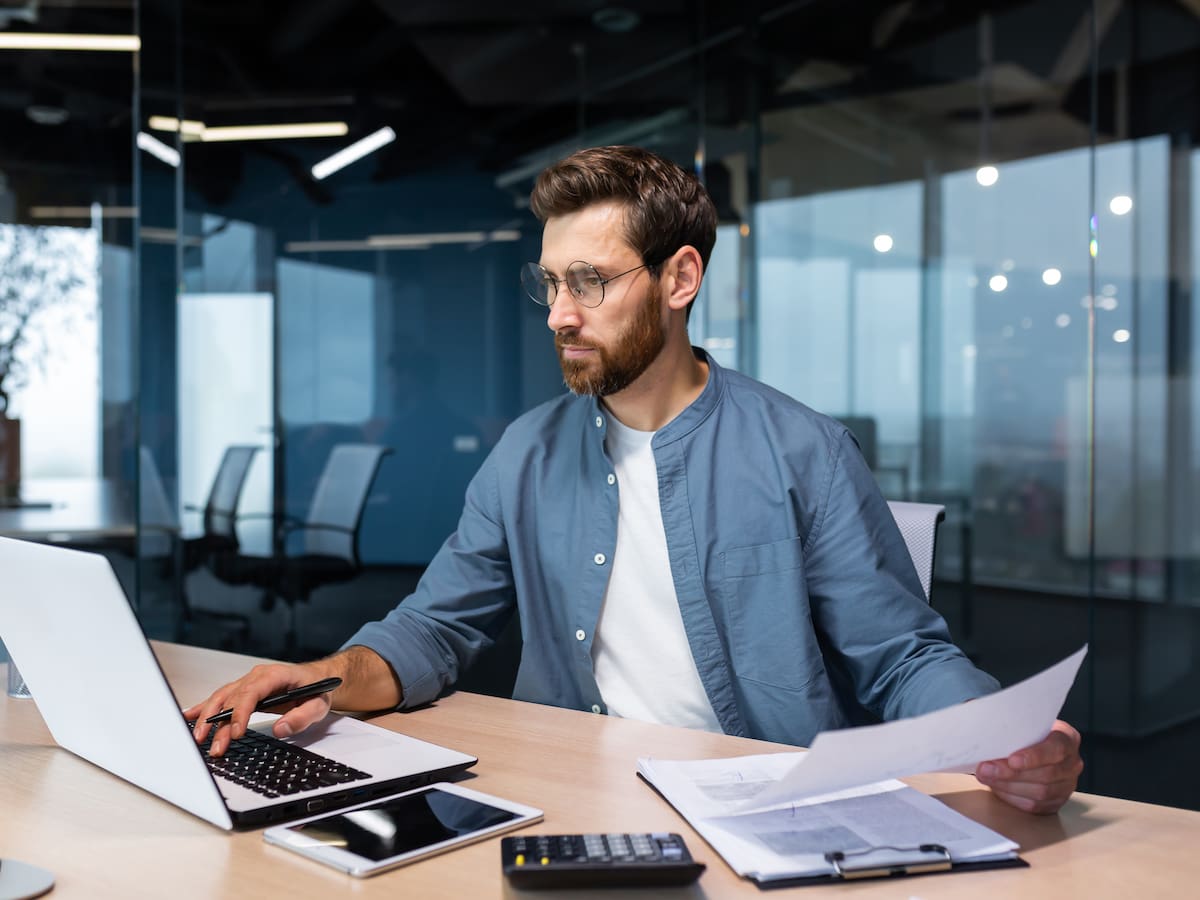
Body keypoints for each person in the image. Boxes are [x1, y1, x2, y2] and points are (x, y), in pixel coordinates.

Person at [187, 145, 1082, 815]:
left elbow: (901, 657)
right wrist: (323, 678)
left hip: (764, 805)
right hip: (568, 794)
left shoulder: (804, 450)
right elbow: (434, 629)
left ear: (680, 277)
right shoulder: (525, 455)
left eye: (590, 282)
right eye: (550, 285)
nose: (561, 316)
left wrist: (1004, 738)